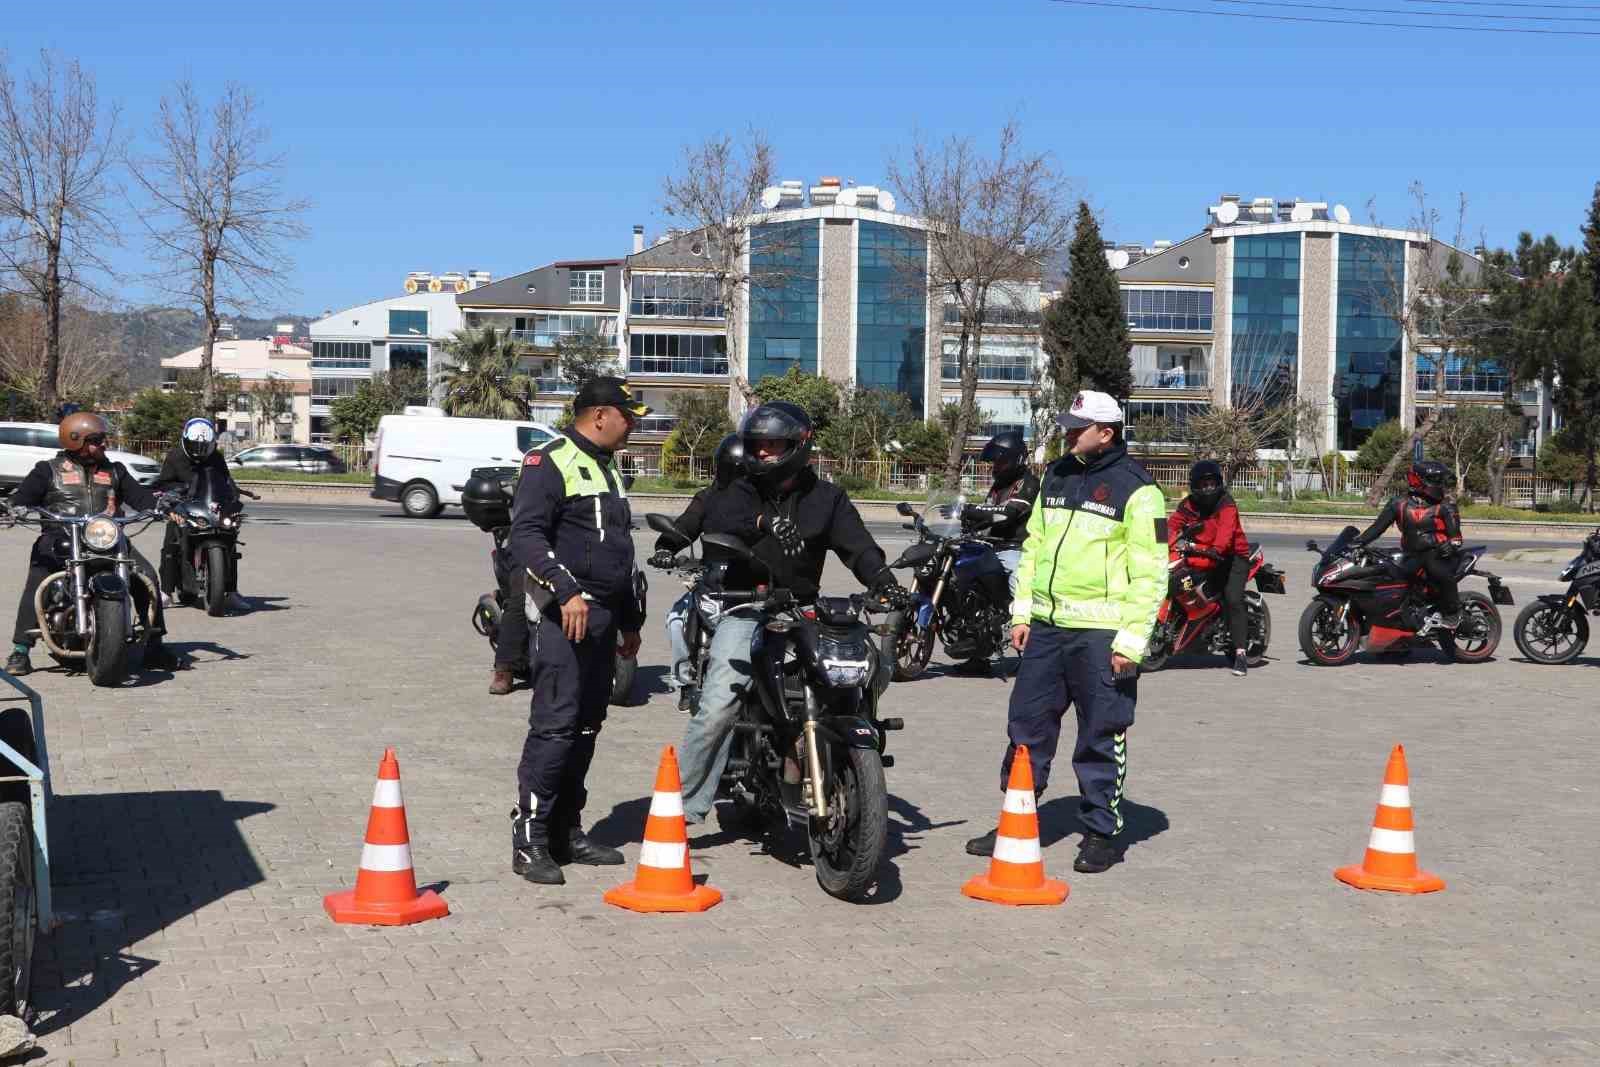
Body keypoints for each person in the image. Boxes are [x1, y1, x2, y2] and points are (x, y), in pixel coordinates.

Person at [677, 401, 907, 828]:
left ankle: (835, 753)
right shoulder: (740, 489)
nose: (762, 453)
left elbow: (857, 545)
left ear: (798, 445)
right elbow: (720, 517)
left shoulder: (827, 499)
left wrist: (882, 580)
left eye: (772, 444)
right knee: (718, 704)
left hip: (803, 609)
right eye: (757, 445)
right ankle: (682, 808)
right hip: (745, 606)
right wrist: (763, 522)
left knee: (867, 668)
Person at [964, 391, 1165, 875]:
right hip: (1047, 631)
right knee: (1026, 729)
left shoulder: (1139, 490)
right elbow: (1033, 549)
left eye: (1078, 428)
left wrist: (1131, 643)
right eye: (1068, 426)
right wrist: (1022, 614)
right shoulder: (1055, 475)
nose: (1068, 434)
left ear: (1107, 432)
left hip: (1102, 635)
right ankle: (1018, 820)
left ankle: (1102, 831)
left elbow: (1151, 573)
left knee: (1101, 733)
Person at [507, 377, 648, 886]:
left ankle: (567, 830)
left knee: (587, 729)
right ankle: (531, 840)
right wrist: (565, 590)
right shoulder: (548, 461)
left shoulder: (609, 468)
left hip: (604, 620)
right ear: (600, 415)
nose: (633, 426)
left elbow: (620, 551)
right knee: (555, 727)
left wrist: (630, 620)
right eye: (628, 416)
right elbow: (525, 535)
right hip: (565, 615)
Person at [5, 411, 176, 675]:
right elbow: (23, 495)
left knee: (147, 576)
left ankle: (155, 642)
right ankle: (20, 650)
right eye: (97, 440)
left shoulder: (115, 471)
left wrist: (160, 505)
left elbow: (141, 497)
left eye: (103, 439)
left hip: (106, 538)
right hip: (60, 538)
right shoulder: (47, 470)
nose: (104, 444)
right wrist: (15, 506)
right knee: (38, 579)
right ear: (76, 442)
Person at [650, 432, 763, 713]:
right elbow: (686, 526)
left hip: (753, 583)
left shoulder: (765, 502)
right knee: (677, 620)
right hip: (712, 580)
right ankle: (686, 683)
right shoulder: (708, 498)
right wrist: (666, 548)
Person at [1354, 459, 1463, 631]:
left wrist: (1451, 545)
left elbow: (1456, 537)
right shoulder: (1398, 504)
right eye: (1435, 480)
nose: (1440, 484)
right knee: (1382, 569)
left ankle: (1453, 613)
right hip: (1411, 554)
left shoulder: (1446, 506)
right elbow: (1377, 528)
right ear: (1418, 480)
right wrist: (1358, 542)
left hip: (1438, 553)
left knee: (1434, 567)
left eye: (1440, 480)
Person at [1167, 459, 1252, 676]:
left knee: (1232, 598)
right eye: (1203, 484)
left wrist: (1217, 548)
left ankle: (1241, 653)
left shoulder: (1226, 504)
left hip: (1232, 557)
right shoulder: (1188, 505)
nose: (1207, 489)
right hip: (1201, 554)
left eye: (1211, 484)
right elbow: (1171, 525)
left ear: (1219, 484)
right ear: (1194, 486)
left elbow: (1226, 530)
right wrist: (1156, 543)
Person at [156, 418, 244, 611]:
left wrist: (233, 494)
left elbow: (225, 481)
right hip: (183, 507)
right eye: (195, 445)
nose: (199, 450)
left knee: (230, 538)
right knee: (172, 541)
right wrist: (177, 494)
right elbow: (164, 483)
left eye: (203, 446)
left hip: (209, 506)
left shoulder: (217, 458)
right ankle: (166, 592)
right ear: (186, 440)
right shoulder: (175, 456)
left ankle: (231, 591)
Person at [962, 429, 1041, 596]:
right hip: (992, 546)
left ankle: (1022, 619)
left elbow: (1007, 514)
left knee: (1020, 593)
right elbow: (990, 514)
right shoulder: (999, 485)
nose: (996, 467)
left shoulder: (1029, 483)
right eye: (994, 463)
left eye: (1001, 462)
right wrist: (969, 521)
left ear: (1016, 460)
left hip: (1016, 549)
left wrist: (972, 509)